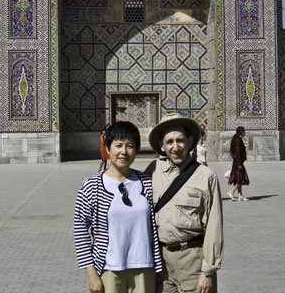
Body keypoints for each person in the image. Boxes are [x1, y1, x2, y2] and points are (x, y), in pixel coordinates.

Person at [74, 121, 162, 293]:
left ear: (136, 150)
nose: (124, 151)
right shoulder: (91, 186)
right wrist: (91, 273)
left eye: (130, 146)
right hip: (109, 270)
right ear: (107, 149)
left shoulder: (147, 182)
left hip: (145, 269)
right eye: (118, 145)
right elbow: (80, 231)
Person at [146, 113, 223, 293]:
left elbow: (214, 224)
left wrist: (208, 271)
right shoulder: (152, 171)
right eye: (170, 142)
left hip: (192, 262)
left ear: (190, 142)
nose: (175, 147)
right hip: (161, 264)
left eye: (180, 140)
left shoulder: (205, 176)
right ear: (162, 146)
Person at [227, 126, 250, 202]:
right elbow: (237, 152)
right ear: (242, 132)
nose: (245, 132)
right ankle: (231, 191)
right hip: (238, 163)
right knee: (240, 178)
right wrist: (239, 163)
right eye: (244, 131)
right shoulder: (237, 140)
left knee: (239, 178)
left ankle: (240, 195)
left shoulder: (237, 139)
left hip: (238, 162)